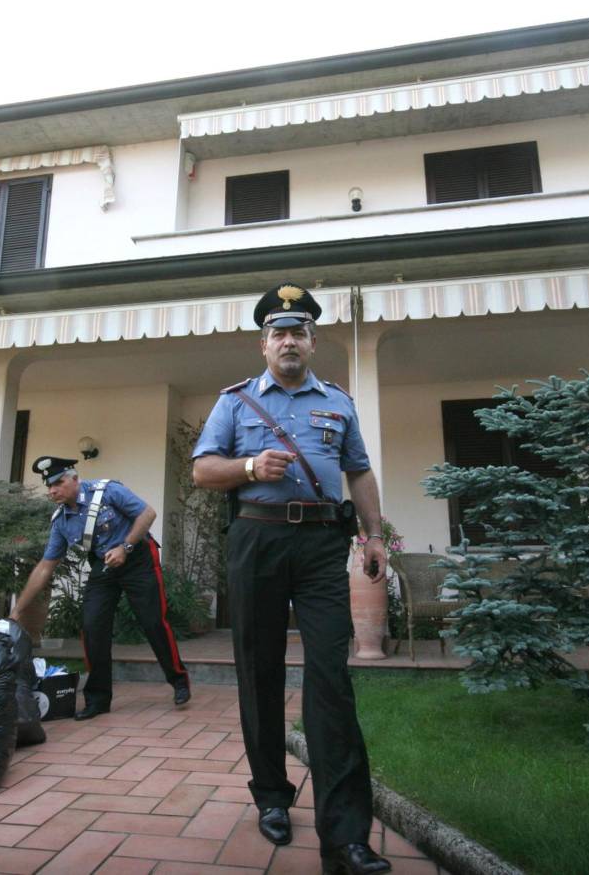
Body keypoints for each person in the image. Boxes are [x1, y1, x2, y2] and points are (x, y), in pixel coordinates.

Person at [192, 283, 392, 875]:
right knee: (259, 671)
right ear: (264, 344)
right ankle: (272, 796)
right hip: (256, 539)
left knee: (331, 675)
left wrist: (374, 534)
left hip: (321, 543)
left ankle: (346, 837)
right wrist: (251, 466)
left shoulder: (339, 401)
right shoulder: (233, 402)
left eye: (298, 331)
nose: (288, 341)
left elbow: (358, 471)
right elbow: (204, 470)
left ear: (312, 341)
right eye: (278, 332)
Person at [10, 457, 190, 719]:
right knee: (93, 627)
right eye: (49, 486)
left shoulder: (108, 491)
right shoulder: (61, 521)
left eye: (58, 483)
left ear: (74, 479)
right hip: (104, 564)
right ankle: (98, 699)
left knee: (152, 621)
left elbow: (147, 513)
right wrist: (18, 611)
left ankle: (178, 680)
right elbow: (44, 568)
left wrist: (125, 548)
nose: (53, 490)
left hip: (137, 557)